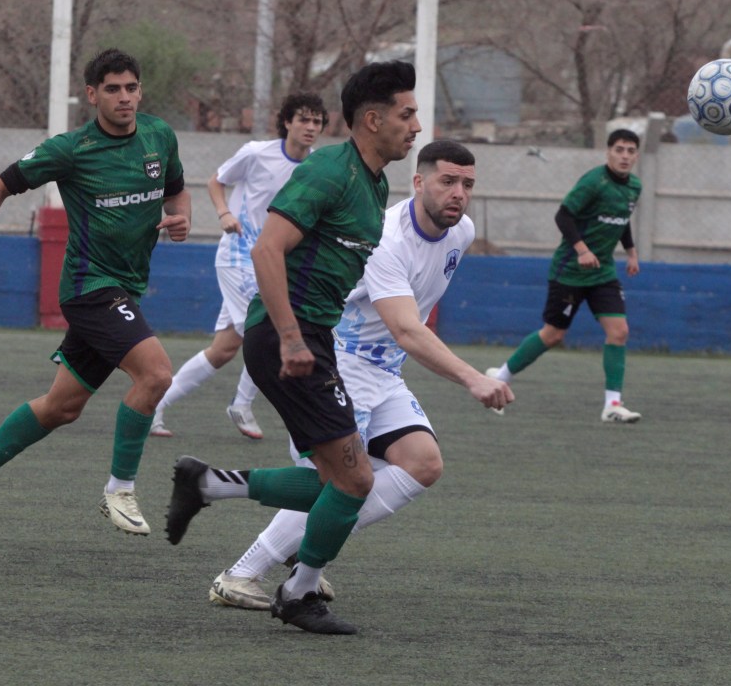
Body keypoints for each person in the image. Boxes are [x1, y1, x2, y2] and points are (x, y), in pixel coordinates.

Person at [165, 60, 420, 635]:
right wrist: (289, 338)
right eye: (407, 115)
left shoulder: (374, 182)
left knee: (339, 480)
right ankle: (298, 593)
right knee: (356, 481)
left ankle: (206, 483)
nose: (416, 127)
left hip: (313, 337)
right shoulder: (329, 169)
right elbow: (267, 250)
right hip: (291, 338)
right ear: (372, 120)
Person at [207, 139, 513, 611]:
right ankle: (241, 571)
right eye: (448, 181)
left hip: (385, 371)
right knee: (340, 482)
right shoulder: (387, 237)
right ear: (418, 182)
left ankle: (286, 537)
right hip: (342, 362)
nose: (458, 193)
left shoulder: (462, 232)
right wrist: (473, 377)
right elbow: (406, 329)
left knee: (423, 463)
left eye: (467, 184)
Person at [0, 49, 192, 537]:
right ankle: (119, 489)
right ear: (93, 95)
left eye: (132, 87)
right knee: (157, 374)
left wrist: (182, 216)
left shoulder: (159, 136)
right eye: (113, 89)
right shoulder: (71, 149)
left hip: (125, 289)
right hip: (89, 288)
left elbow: (177, 191)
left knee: (62, 407)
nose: (125, 97)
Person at [150, 93, 328, 440]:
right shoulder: (257, 153)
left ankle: (154, 405)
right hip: (239, 257)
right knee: (272, 332)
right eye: (303, 119)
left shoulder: (317, 167)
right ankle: (242, 404)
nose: (310, 127)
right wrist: (224, 213)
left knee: (223, 350)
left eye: (317, 121)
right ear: (287, 122)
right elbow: (217, 180)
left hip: (274, 263)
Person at [487, 128, 642, 423]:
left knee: (619, 332)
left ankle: (612, 405)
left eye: (630, 151)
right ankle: (500, 377)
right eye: (619, 150)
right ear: (608, 152)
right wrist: (582, 250)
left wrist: (631, 252)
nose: (624, 156)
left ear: (636, 156)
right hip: (570, 271)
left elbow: (622, 219)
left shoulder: (634, 186)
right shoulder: (593, 182)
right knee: (553, 334)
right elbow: (563, 216)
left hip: (603, 272)